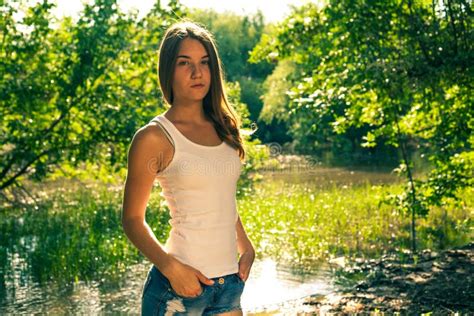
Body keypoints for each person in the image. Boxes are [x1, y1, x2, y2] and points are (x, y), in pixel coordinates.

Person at [121, 20, 255, 316]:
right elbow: (131, 219)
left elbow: (220, 197)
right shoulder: (154, 137)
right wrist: (171, 267)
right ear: (168, 70)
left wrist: (245, 245)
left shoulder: (224, 127)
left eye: (204, 63)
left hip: (229, 283)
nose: (197, 73)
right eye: (185, 63)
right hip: (177, 289)